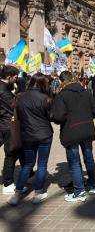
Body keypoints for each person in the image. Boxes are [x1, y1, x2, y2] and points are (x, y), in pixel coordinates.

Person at [52, 71, 95, 203]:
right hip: (87, 129)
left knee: (74, 162)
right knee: (88, 157)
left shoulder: (62, 95)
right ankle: (92, 184)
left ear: (62, 81)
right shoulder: (85, 91)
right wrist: (86, 118)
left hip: (71, 131)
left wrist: (66, 119)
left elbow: (58, 116)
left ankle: (79, 191)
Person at [8, 73, 54, 205]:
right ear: (42, 84)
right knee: (42, 164)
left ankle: (17, 194)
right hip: (44, 134)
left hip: (27, 134)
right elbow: (50, 116)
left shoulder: (20, 97)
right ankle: (38, 192)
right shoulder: (46, 98)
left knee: (27, 164)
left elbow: (16, 114)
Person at [0, 65, 22, 195]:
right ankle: (8, 182)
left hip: (4, 123)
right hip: (8, 125)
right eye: (15, 77)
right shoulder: (4, 91)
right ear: (9, 77)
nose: (16, 79)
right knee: (11, 153)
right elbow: (13, 106)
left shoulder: (4, 88)